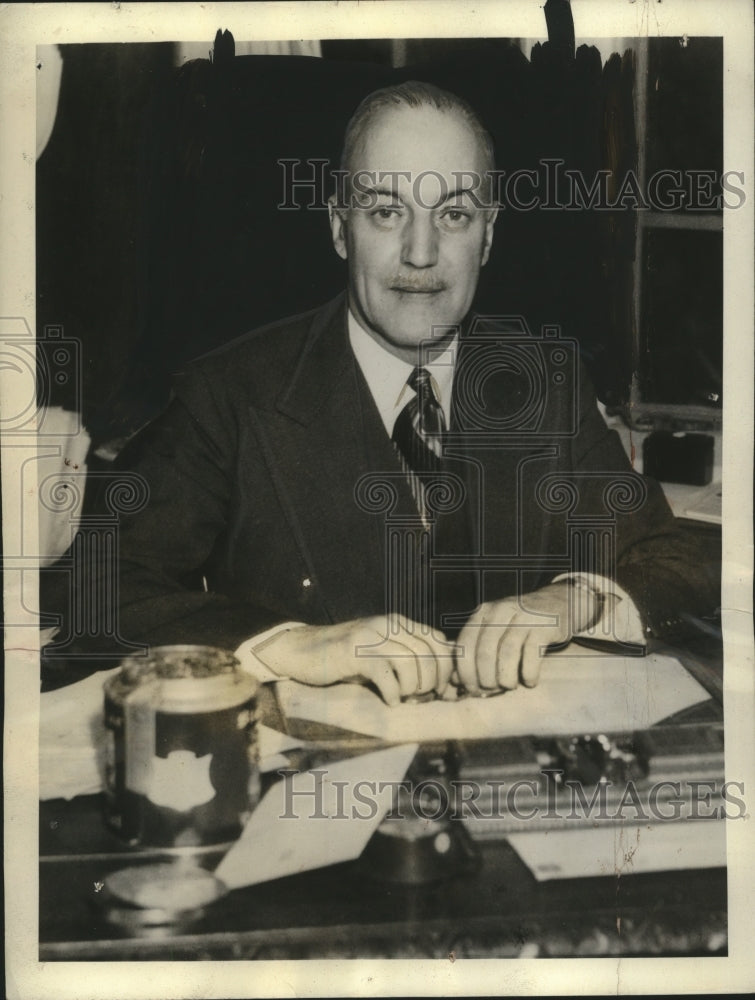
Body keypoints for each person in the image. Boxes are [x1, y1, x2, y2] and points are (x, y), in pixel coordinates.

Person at [79, 81, 718, 704]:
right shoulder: (229, 395)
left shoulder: (542, 381)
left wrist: (574, 599)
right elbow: (100, 583)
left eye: (454, 215)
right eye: (387, 212)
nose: (421, 253)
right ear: (339, 227)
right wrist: (293, 646)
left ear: (488, 235)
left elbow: (682, 559)